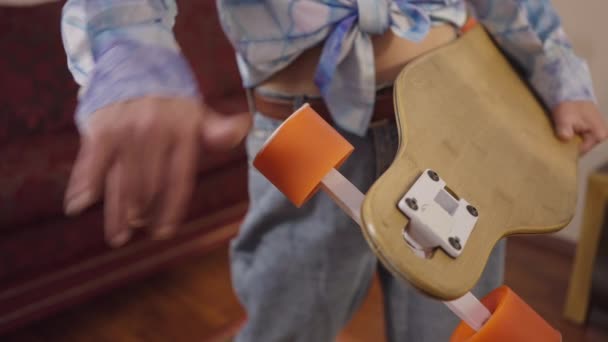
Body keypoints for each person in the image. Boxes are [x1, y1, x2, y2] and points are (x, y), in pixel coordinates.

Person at [61, 1, 608, 341]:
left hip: (460, 126)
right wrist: (127, 50)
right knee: (289, 321)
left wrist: (558, 70)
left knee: (453, 327)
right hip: (307, 132)